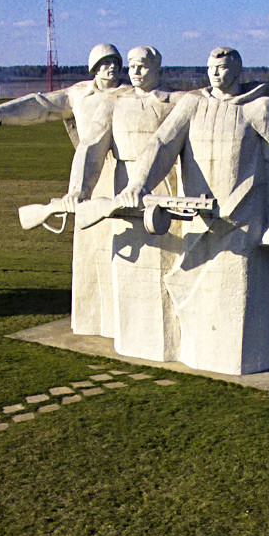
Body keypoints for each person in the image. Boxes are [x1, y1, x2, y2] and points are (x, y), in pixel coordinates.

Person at [116, 47, 269, 376]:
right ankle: (196, 353)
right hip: (197, 221)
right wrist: (139, 183)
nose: (215, 73)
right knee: (191, 290)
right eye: (211, 67)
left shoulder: (260, 108)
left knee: (236, 300)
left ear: (237, 71)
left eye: (223, 68)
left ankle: (234, 361)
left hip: (243, 221)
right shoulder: (193, 104)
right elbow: (163, 145)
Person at [0, 43, 124, 337]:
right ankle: (92, 319)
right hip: (87, 178)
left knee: (123, 250)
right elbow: (41, 105)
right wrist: (1, 112)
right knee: (90, 253)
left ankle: (122, 320)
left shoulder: (127, 95)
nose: (111, 68)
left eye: (115, 62)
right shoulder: (78, 94)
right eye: (104, 64)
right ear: (94, 69)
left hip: (122, 178)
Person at [70, 46, 182, 361]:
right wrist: (80, 190)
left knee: (165, 264)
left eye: (142, 66)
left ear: (157, 68)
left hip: (164, 185)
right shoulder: (113, 103)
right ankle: (131, 339)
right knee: (130, 264)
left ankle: (167, 343)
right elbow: (91, 147)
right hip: (124, 185)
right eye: (131, 66)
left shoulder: (174, 102)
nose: (135, 72)